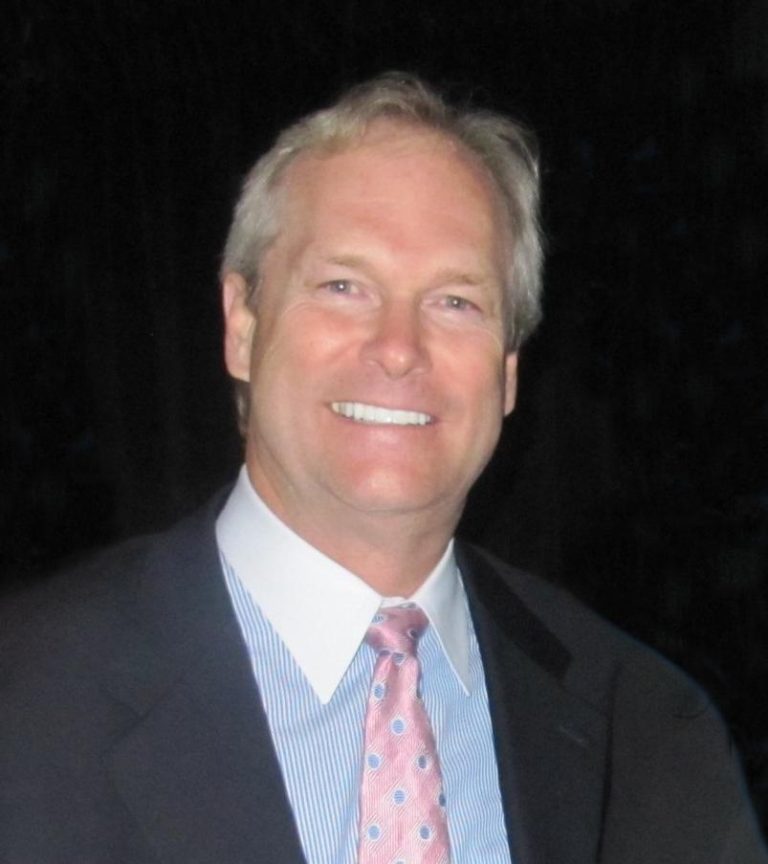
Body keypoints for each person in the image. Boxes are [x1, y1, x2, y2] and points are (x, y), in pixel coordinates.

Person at [1, 73, 765, 864]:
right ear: (242, 327)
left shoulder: (648, 734)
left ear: (508, 371)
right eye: (344, 287)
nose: (399, 349)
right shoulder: (25, 703)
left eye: (455, 302)